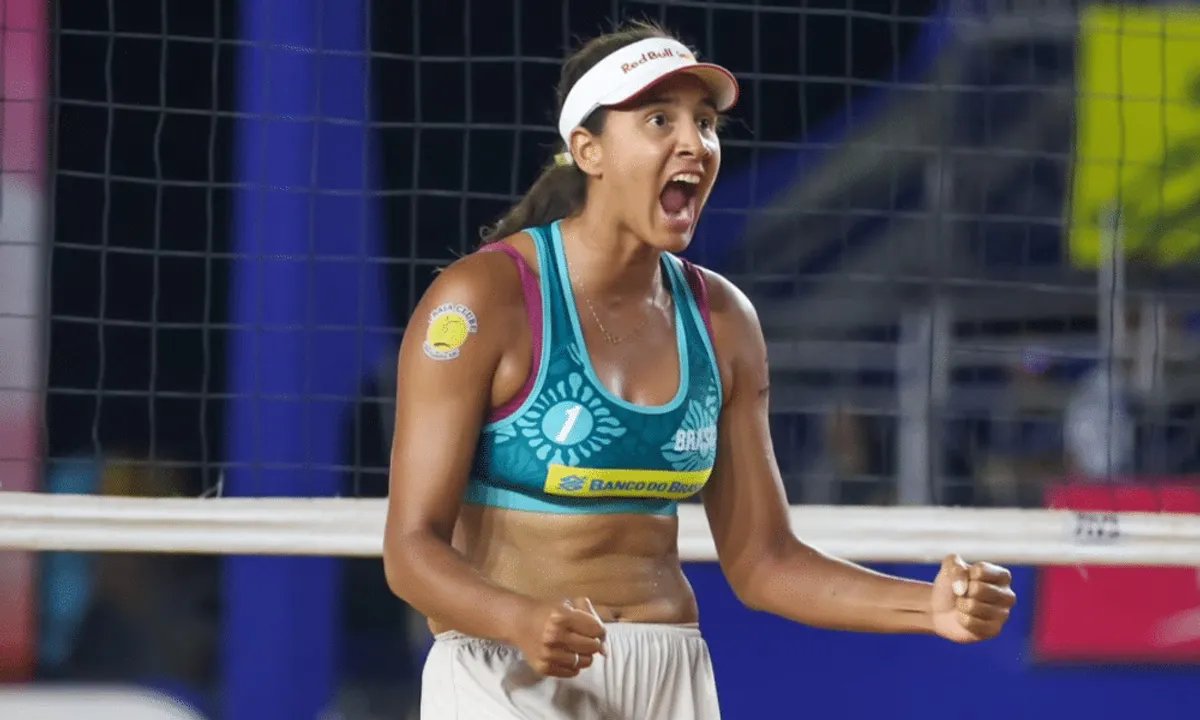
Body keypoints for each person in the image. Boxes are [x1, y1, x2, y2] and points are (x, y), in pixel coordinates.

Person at [383, 19, 1017, 720]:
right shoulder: (487, 299)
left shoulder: (722, 319)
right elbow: (410, 551)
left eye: (706, 122)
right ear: (587, 150)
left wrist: (927, 607)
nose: (695, 143)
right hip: (507, 670)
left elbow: (764, 561)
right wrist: (517, 619)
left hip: (666, 672)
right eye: (660, 118)